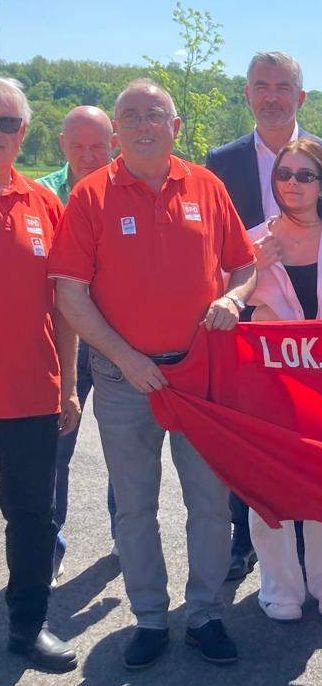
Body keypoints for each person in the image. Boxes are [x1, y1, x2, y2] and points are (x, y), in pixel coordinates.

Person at [48, 78, 257, 670]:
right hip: (123, 381)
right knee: (134, 506)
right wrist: (125, 359)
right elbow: (70, 293)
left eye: (154, 115)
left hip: (197, 378)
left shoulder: (207, 186)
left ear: (176, 126)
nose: (143, 125)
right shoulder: (92, 195)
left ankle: (205, 614)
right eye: (131, 116)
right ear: (117, 131)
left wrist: (236, 298)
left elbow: (245, 265)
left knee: (210, 504)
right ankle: (148, 616)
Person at [206, 50, 322, 577]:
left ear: (301, 96)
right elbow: (214, 250)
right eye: (261, 85)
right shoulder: (221, 162)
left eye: (282, 86)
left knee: (320, 441)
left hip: (319, 331)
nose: (271, 96)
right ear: (246, 93)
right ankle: (244, 538)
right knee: (253, 449)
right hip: (251, 330)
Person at [246, 138, 322, 622]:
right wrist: (256, 270)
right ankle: (279, 588)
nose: (293, 183)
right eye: (284, 175)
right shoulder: (251, 240)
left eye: (304, 175)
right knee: (267, 493)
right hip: (264, 388)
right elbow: (225, 306)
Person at [0, 77, 80, 674]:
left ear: (22, 133)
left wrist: (71, 384)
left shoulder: (44, 204)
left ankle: (28, 628)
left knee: (33, 520)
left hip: (30, 394)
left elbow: (66, 304)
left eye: (5, 123)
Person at [36, 105, 119, 584]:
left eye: (98, 146)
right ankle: (49, 543)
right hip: (58, 339)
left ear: (112, 143)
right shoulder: (43, 193)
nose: (89, 156)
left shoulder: (124, 192)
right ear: (62, 145)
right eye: (78, 146)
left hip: (115, 339)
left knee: (123, 446)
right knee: (56, 448)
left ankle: (124, 534)